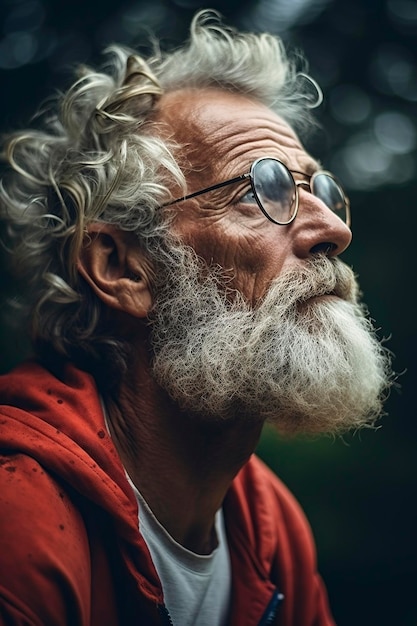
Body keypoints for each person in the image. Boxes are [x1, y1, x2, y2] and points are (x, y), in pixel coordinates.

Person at [0, 9, 392, 626]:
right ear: (121, 267)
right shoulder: (16, 519)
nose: (334, 230)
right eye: (262, 189)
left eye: (322, 191)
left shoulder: (271, 530)